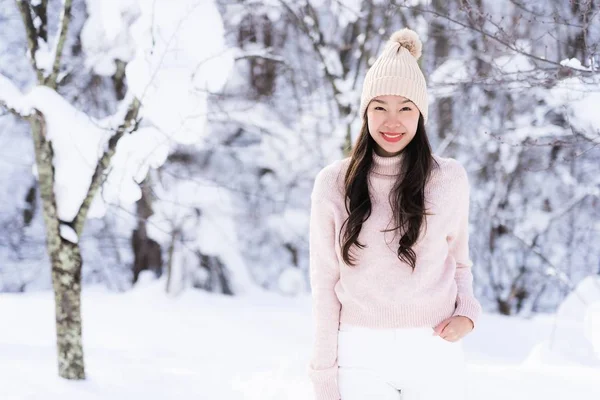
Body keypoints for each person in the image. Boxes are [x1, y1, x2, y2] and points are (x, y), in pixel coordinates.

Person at [307, 28, 482, 400]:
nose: (392, 121)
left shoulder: (448, 179)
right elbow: (324, 286)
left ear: (420, 114)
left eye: (405, 107)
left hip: (435, 349)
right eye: (379, 107)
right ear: (365, 112)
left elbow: (460, 262)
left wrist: (467, 311)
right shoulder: (333, 184)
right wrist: (323, 376)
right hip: (359, 355)